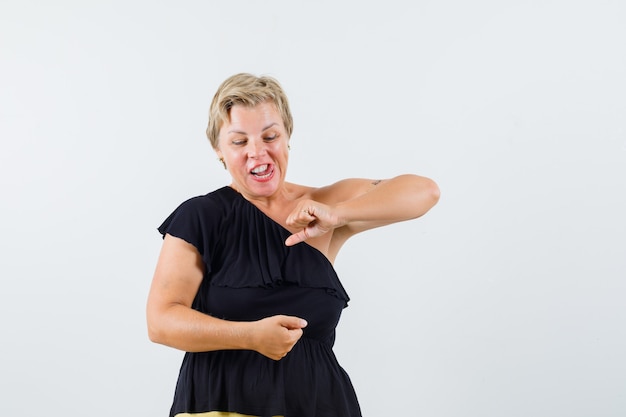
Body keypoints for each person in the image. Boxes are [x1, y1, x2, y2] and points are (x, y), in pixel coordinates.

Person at [146, 73, 440, 417]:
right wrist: (250, 337)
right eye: (239, 142)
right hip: (220, 405)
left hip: (320, 404)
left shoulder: (322, 205)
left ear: (287, 136)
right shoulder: (202, 216)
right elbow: (161, 321)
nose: (257, 152)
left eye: (270, 136)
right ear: (218, 150)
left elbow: (425, 192)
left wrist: (337, 213)